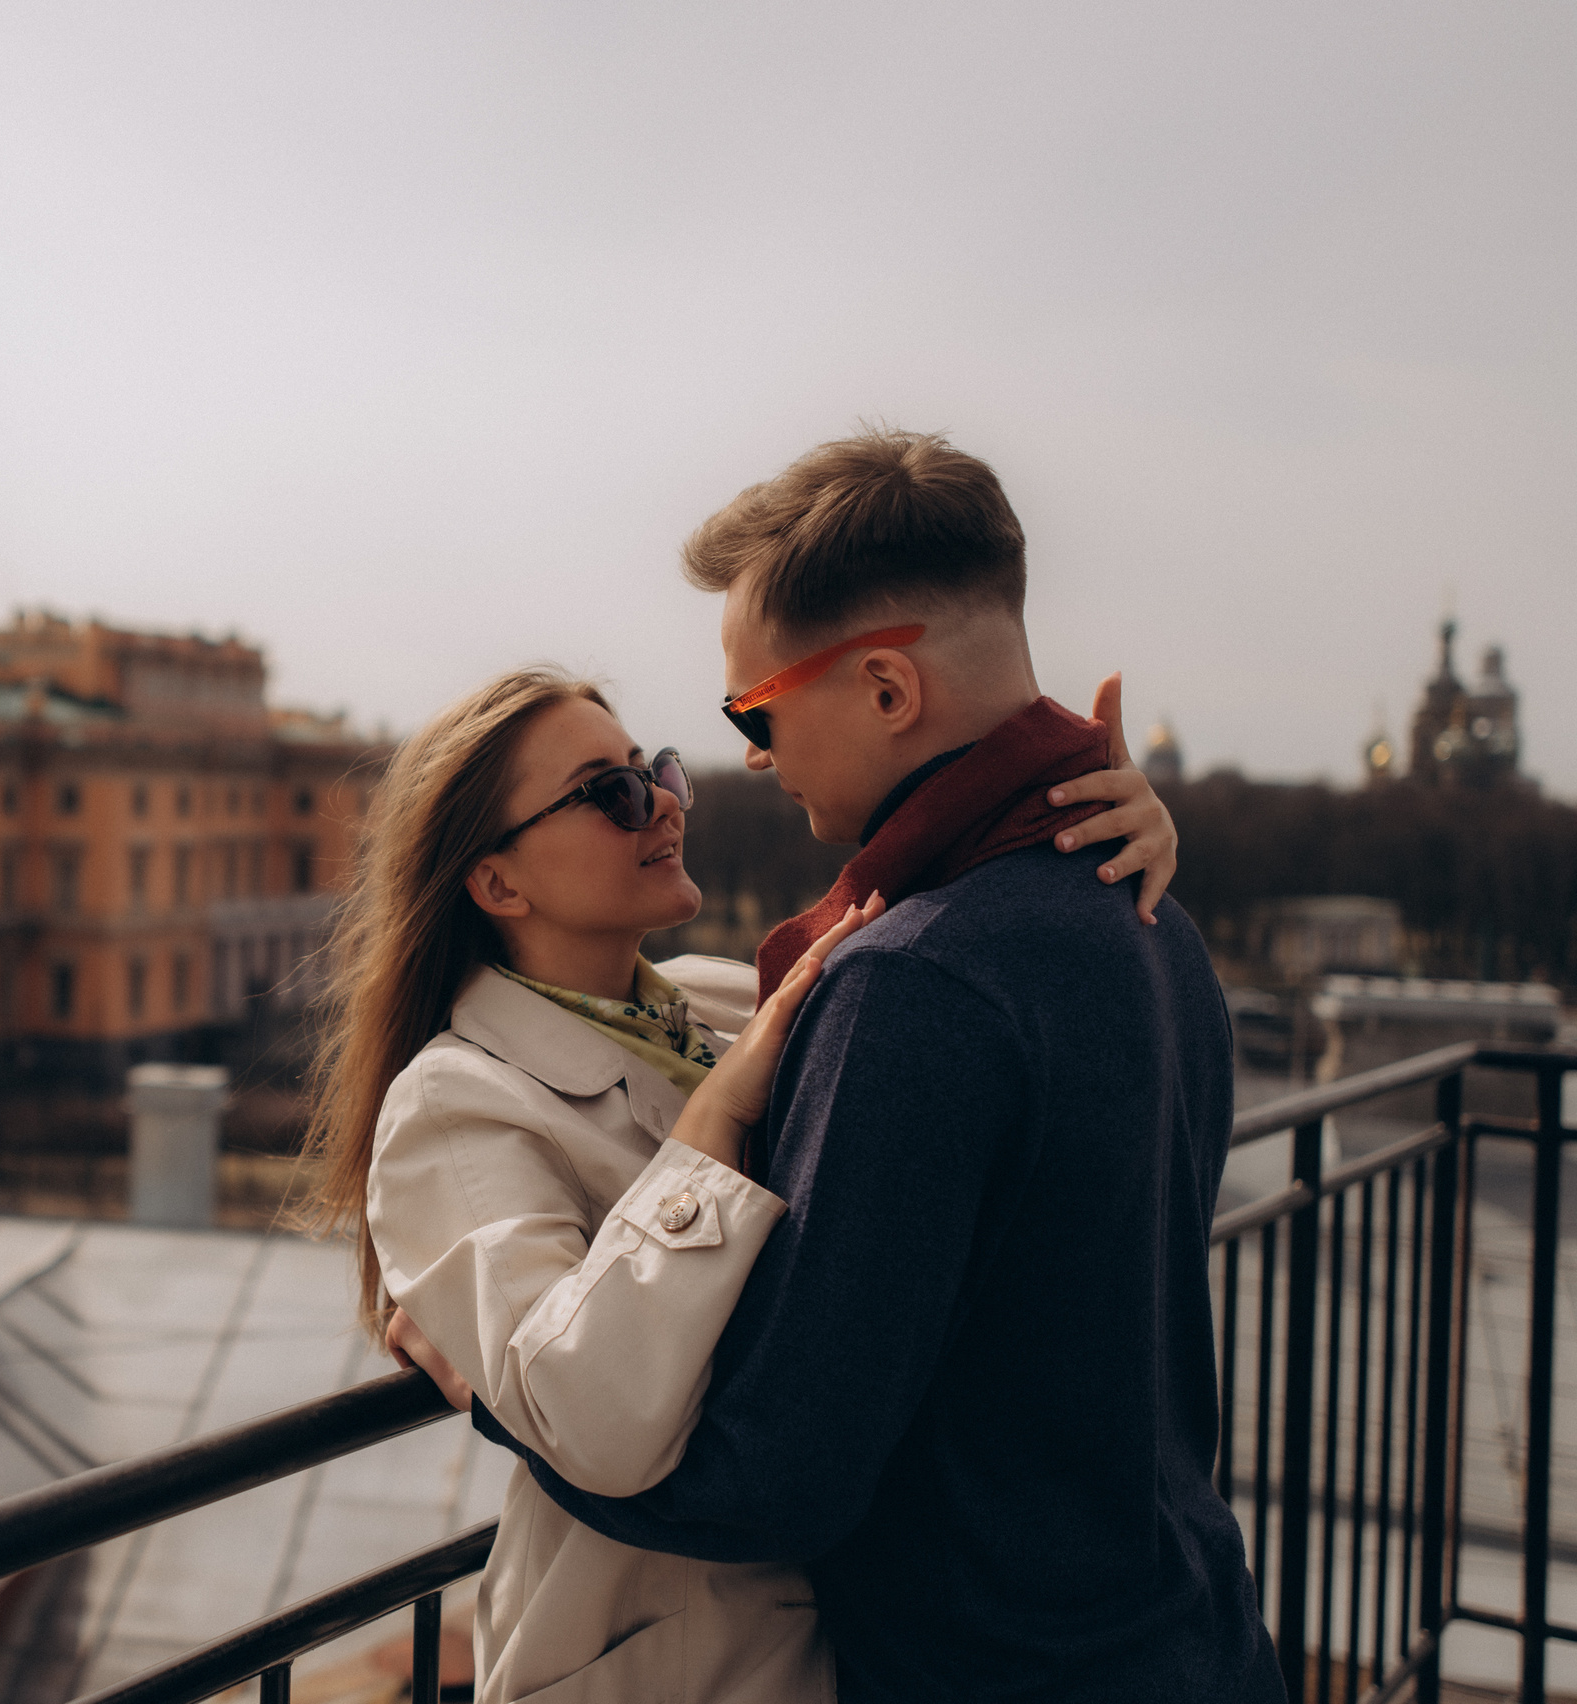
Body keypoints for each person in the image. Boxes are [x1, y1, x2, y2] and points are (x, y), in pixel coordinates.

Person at [390, 430, 1279, 1702]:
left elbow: (770, 1476)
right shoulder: (1147, 920)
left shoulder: (908, 986)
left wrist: (493, 1390)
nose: (743, 757)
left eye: (751, 711)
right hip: (1188, 1631)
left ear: (884, 690)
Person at [314, 652, 1179, 1702]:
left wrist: (1102, 831)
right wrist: (715, 1121)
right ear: (496, 881)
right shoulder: (454, 1105)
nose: (664, 808)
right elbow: (593, 1420)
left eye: (656, 773)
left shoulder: (723, 1000)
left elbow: (975, 951)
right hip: (674, 1667)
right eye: (612, 794)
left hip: (857, 1631)